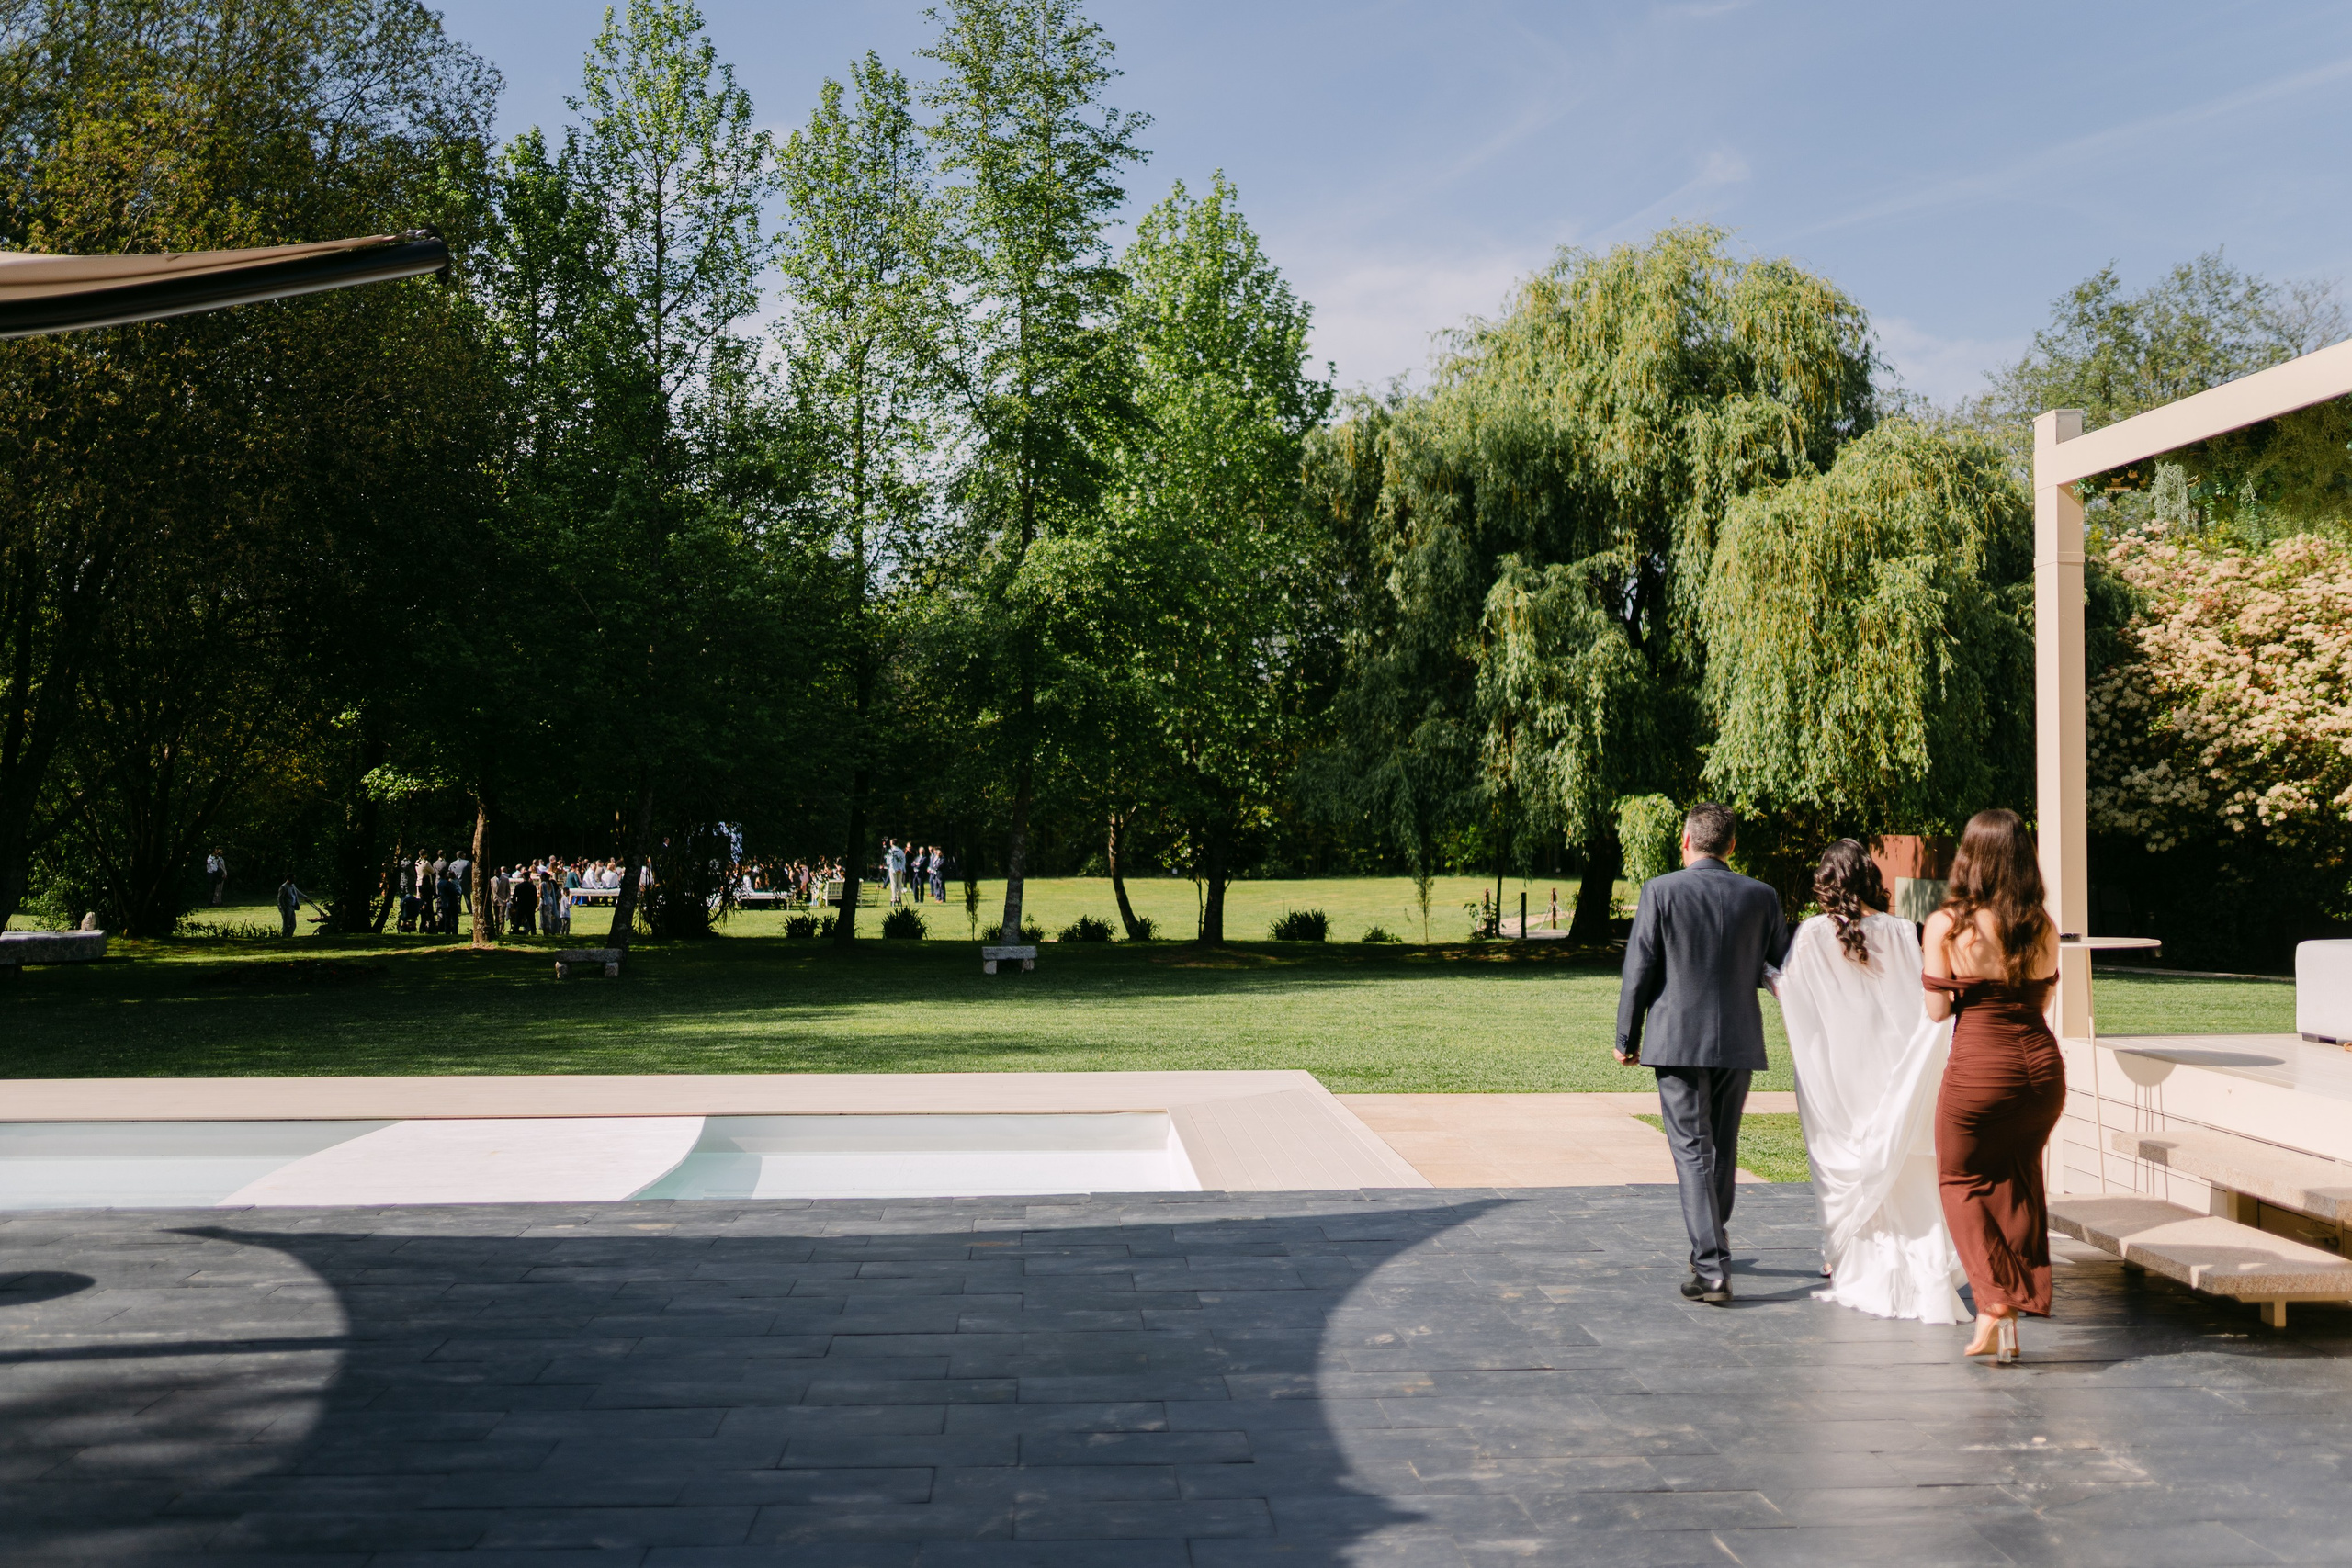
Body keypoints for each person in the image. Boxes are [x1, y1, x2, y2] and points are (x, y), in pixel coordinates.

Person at [1777, 840, 1968, 1325]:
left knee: (1862, 1160)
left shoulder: (1811, 935)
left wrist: (1766, 976)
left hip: (1846, 1074)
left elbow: (1794, 996)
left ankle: (1864, 1267)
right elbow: (1929, 1001)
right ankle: (1920, 1269)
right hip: (1898, 1071)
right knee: (1904, 1164)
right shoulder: (1905, 931)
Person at [1613, 802, 1791, 1305]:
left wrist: (1626, 1037)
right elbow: (1784, 964)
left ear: (1687, 841)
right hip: (1739, 1039)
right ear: (1731, 845)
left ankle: (1712, 1269)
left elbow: (1639, 968)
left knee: (1693, 1150)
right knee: (1722, 1149)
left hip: (1677, 1039)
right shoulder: (1762, 895)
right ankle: (1710, 1248)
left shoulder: (1660, 890)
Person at [1924, 807, 2064, 1364]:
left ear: (1970, 858)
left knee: (1959, 1179)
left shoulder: (1948, 925)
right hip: (2042, 1071)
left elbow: (1937, 1011)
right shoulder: (2043, 926)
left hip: (1981, 1067)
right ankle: (2011, 1311)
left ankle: (1993, 1303)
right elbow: (2042, 1000)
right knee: (2019, 1177)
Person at [275, 874, 308, 938]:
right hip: (286, 908)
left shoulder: (293, 885)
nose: (294, 879)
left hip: (292, 907)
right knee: (286, 924)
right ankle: (284, 937)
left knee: (293, 924)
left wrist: (305, 897)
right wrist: (284, 908)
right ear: (289, 879)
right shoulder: (283, 887)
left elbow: (297, 892)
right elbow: (280, 898)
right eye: (293, 878)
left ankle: (289, 936)